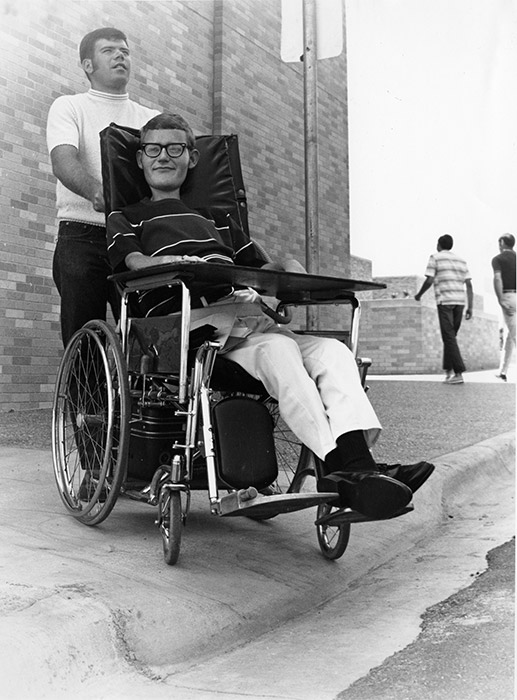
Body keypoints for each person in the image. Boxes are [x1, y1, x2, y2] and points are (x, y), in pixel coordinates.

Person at [107, 112, 434, 520]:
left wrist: (291, 268)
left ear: (192, 158)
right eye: (152, 149)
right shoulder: (127, 217)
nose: (163, 156)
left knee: (333, 352)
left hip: (246, 320)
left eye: (175, 148)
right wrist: (184, 261)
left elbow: (265, 270)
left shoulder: (218, 221)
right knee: (280, 348)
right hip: (189, 329)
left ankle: (357, 467)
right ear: (139, 159)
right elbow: (134, 263)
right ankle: (342, 470)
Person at [46, 27, 160, 346]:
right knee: (85, 340)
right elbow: (64, 161)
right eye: (109, 51)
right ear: (88, 65)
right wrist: (98, 193)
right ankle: (86, 397)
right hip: (83, 234)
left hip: (137, 237)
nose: (120, 55)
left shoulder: (151, 119)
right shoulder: (69, 107)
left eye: (124, 51)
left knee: (150, 336)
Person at [415, 234, 473, 384]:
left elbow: (430, 279)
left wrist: (419, 294)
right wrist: (470, 307)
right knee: (451, 336)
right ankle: (448, 371)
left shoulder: (435, 257)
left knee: (449, 337)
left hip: (445, 301)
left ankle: (458, 373)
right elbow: (469, 285)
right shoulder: (461, 261)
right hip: (460, 303)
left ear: (439, 244)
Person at [492, 234, 516, 381]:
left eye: (499, 242)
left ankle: (503, 371)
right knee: (509, 335)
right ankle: (503, 371)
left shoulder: (498, 259)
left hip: (509, 296)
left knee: (515, 334)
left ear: (502, 243)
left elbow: (497, 278)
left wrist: (500, 298)